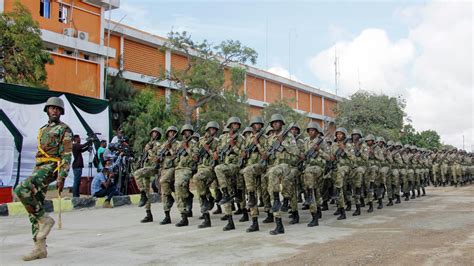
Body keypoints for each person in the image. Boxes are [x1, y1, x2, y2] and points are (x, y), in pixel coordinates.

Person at [14, 97, 73, 261]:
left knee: (20, 189)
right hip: (39, 167)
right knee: (35, 204)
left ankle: (45, 220)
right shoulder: (42, 129)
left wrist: (62, 176)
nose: (54, 110)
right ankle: (39, 247)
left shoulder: (64, 129)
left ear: (61, 112)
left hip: (51, 167)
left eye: (57, 108)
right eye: (51, 108)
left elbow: (67, 155)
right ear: (47, 110)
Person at [215, 117, 244, 231]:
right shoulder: (222, 138)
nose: (236, 125)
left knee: (218, 169)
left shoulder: (241, 138)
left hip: (235, 166)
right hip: (224, 167)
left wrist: (234, 146)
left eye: (237, 124)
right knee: (226, 195)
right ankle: (230, 221)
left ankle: (243, 211)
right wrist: (215, 154)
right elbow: (218, 150)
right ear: (230, 125)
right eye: (234, 124)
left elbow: (243, 154)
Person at [133, 127, 163, 223]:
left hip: (153, 167)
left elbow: (157, 159)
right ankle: (148, 214)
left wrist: (149, 150)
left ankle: (141, 193)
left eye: (156, 133)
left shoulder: (158, 145)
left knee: (136, 174)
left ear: (158, 135)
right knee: (147, 192)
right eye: (153, 132)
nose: (154, 134)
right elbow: (143, 157)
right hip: (145, 168)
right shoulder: (148, 144)